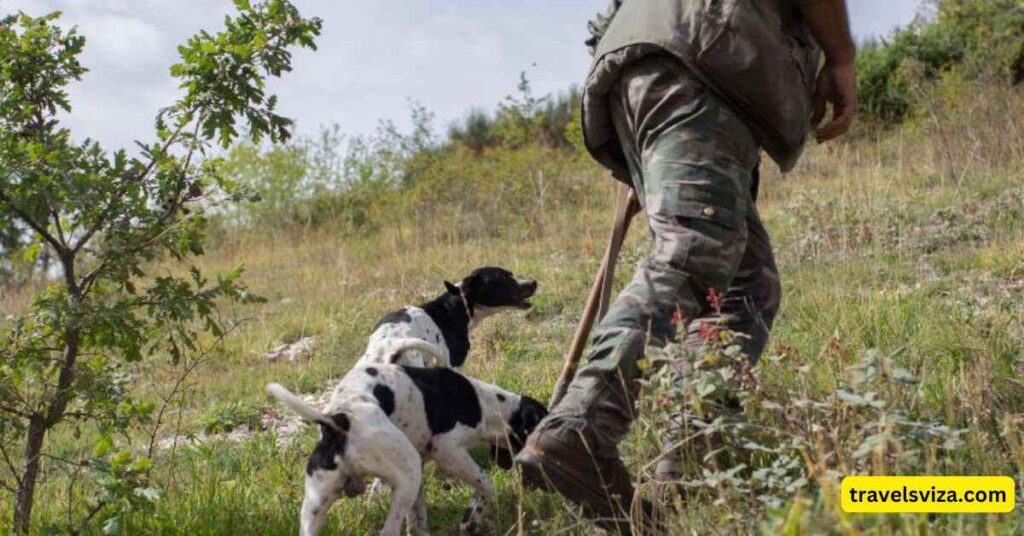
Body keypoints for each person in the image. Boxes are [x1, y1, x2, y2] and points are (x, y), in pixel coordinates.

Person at [515, 0, 858, 532]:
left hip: (649, 64)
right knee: (694, 249)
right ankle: (579, 429)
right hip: (702, 62)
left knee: (746, 287)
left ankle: (685, 470)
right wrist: (840, 58)